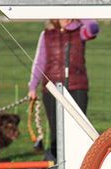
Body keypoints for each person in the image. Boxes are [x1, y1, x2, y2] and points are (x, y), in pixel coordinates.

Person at [28, 19, 100, 157]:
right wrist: (33, 86)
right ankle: (56, 168)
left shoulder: (80, 32)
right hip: (51, 89)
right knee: (56, 132)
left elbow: (93, 28)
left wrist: (79, 14)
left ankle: (79, 168)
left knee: (79, 130)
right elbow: (40, 61)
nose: (66, 18)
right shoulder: (46, 35)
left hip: (77, 86)